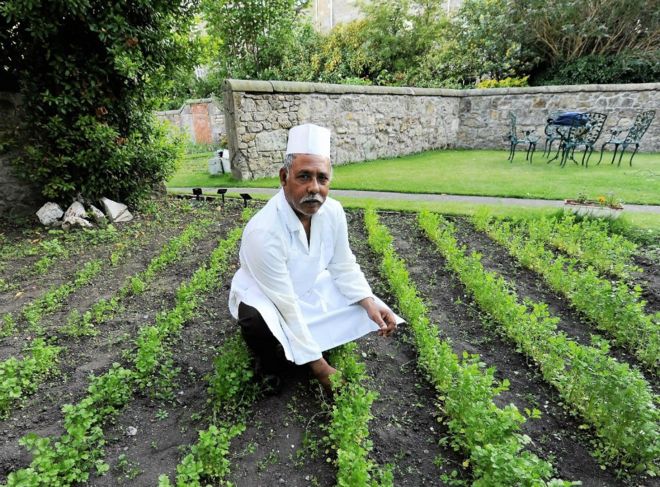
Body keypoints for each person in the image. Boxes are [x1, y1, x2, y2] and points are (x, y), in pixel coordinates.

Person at [228, 123, 402, 392]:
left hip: (307, 284)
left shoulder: (333, 212)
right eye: (304, 177)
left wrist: (369, 303)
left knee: (356, 300)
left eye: (322, 178)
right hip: (267, 295)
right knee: (258, 321)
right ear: (284, 177)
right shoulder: (264, 231)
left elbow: (343, 264)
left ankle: (309, 346)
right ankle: (269, 365)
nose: (314, 188)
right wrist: (322, 371)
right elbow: (285, 304)